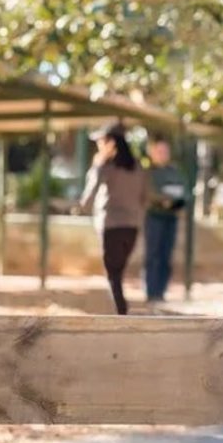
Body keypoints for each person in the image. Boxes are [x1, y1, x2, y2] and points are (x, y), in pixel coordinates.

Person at [79, 122, 148, 315]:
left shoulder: (106, 167)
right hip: (132, 227)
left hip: (111, 226)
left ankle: (121, 312)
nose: (98, 146)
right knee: (118, 271)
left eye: (101, 142)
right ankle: (120, 310)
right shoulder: (138, 168)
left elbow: (87, 199)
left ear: (111, 144)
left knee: (113, 275)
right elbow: (145, 197)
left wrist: (97, 165)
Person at [143, 133, 187, 303]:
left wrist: (172, 200)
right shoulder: (148, 173)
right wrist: (164, 199)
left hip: (171, 218)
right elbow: (150, 194)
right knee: (153, 255)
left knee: (166, 256)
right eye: (159, 151)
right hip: (154, 217)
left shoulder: (175, 171)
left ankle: (160, 292)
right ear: (152, 152)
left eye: (165, 151)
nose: (163, 154)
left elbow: (182, 192)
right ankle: (151, 292)